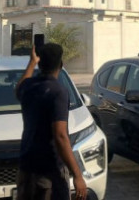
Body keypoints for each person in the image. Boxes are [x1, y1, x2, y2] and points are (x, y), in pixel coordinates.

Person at [15, 43, 87, 200]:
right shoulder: (58, 91)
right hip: (49, 173)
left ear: (40, 64)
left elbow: (18, 88)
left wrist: (32, 63)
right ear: (61, 64)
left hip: (26, 170)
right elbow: (60, 136)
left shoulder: (28, 86)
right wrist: (77, 175)